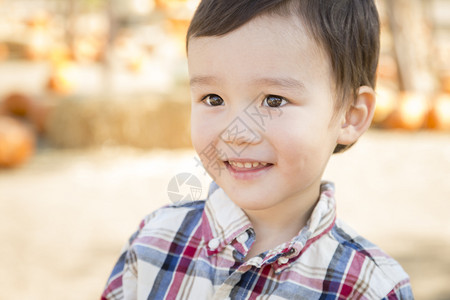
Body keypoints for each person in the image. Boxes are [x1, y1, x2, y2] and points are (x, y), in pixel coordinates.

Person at [102, 0, 413, 299]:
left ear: (350, 115)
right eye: (213, 99)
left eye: (273, 101)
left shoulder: (369, 287)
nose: (236, 134)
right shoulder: (154, 243)